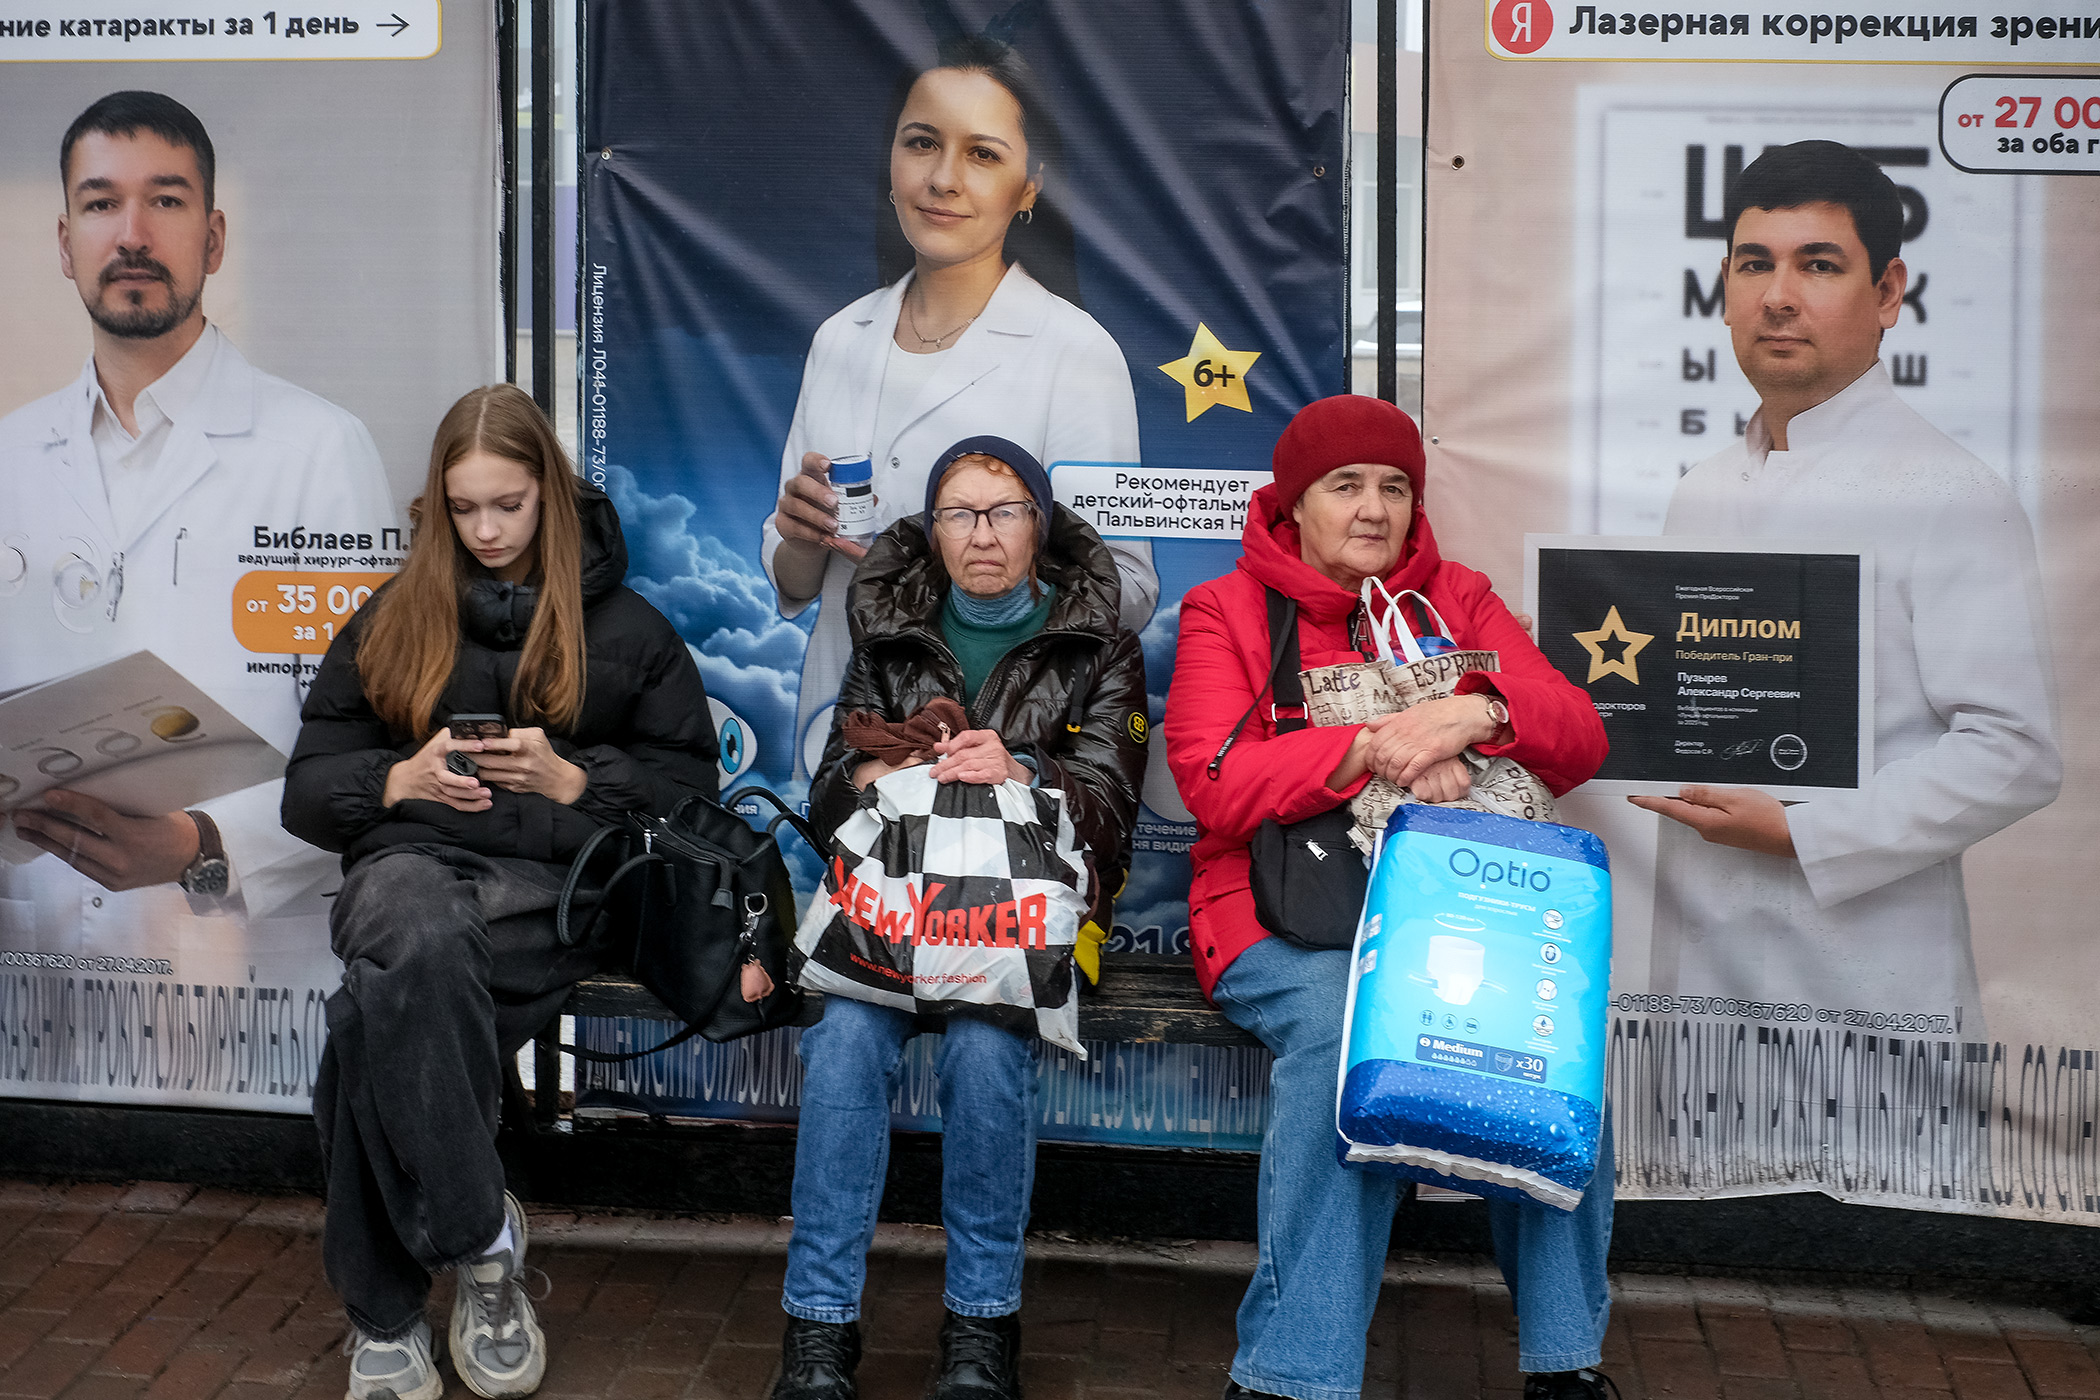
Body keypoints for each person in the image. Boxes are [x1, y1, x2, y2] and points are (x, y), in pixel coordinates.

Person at [1166, 396, 1615, 1400]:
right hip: (1286, 913)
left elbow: (1580, 735)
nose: (1374, 508)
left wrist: (1474, 711)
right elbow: (1214, 782)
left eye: (1395, 486)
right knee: (1350, 1035)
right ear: (1293, 503)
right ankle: (1292, 1372)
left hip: (1457, 913)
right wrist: (1375, 746)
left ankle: (1564, 1361)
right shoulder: (1226, 610)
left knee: (1550, 1042)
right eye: (1345, 485)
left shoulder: (1461, 597)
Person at [281, 386, 719, 1400]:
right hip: (408, 874)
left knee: (374, 1014)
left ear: (550, 497)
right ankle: (483, 1241)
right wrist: (396, 779)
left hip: (559, 892)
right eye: (463, 507)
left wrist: (575, 780)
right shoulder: (391, 619)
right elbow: (306, 793)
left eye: (508, 505)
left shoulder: (630, 629)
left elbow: (693, 804)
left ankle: (384, 1316)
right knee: (408, 931)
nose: (485, 530)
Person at [1627, 141, 2060, 1026]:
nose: (1778, 296)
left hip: (1869, 980)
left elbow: (2014, 751)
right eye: (1755, 264)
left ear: (1888, 292)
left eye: (1818, 265)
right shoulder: (1701, 491)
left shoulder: (1952, 492)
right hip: (1702, 969)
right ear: (1724, 288)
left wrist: (1805, 832)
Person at [772, 436, 1146, 1400]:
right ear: (932, 531)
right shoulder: (889, 630)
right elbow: (827, 799)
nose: (983, 534)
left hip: (1027, 928)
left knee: (985, 1052)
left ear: (1040, 528)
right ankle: (818, 1328)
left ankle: (981, 1328)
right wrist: (879, 767)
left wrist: (1022, 769)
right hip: (894, 917)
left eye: (1005, 511)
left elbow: (1112, 812)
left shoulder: (1101, 642)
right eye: (959, 514)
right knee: (844, 1044)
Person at [0, 91, 396, 972]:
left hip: (246, 963)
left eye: (166, 200)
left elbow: (374, 752)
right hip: (37, 965)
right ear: (64, 242)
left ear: (213, 238)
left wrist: (200, 844)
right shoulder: (9, 457)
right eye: (101, 203)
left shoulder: (319, 451)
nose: (132, 233)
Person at [762, 33, 1157, 780]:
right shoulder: (840, 339)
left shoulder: (1076, 352)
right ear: (889, 161)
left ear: (1030, 186)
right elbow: (794, 580)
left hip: (997, 740)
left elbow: (1126, 589)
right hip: (852, 730)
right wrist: (802, 538)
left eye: (982, 154)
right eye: (921, 143)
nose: (943, 178)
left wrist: (982, 568)